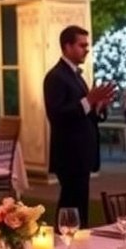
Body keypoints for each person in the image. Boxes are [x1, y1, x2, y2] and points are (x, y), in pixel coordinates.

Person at [43, 24, 115, 228]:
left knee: (79, 204)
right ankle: (65, 245)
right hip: (69, 153)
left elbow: (86, 114)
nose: (87, 49)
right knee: (71, 203)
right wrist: (88, 100)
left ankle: (80, 245)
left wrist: (98, 106)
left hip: (82, 152)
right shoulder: (56, 77)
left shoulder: (77, 76)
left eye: (87, 45)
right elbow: (56, 115)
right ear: (67, 47)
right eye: (82, 45)